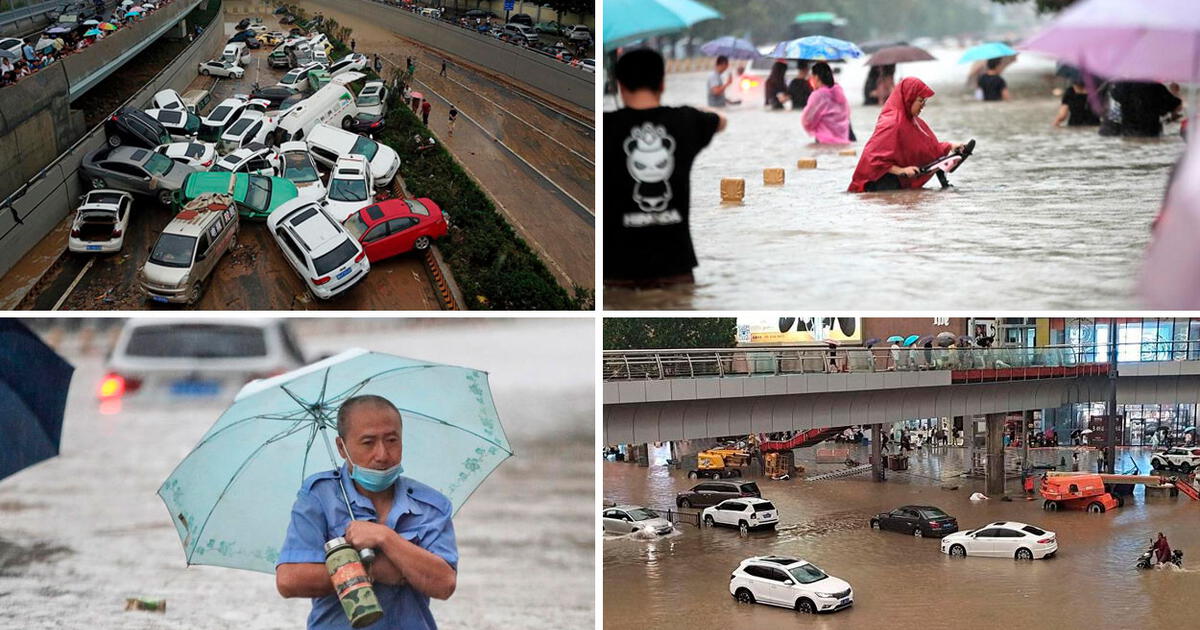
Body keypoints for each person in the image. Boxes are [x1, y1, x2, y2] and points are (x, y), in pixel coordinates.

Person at [276, 395, 457, 629]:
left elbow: (445, 584)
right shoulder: (319, 498)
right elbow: (290, 580)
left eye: (392, 440)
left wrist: (385, 538)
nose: (382, 454)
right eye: (368, 443)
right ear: (342, 447)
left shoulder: (431, 506)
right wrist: (373, 569)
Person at [603, 48, 726, 288]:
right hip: (676, 267)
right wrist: (702, 111)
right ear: (662, 83)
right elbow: (722, 120)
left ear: (619, 84)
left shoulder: (607, 127)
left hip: (618, 270)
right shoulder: (686, 121)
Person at [849, 77, 967, 192]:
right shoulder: (892, 122)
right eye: (920, 100)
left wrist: (950, 146)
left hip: (897, 184)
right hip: (877, 185)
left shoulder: (913, 121)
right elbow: (872, 159)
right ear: (909, 98)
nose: (923, 105)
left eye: (924, 101)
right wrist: (900, 170)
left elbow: (926, 149)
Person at [801, 62, 852, 145]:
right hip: (843, 139)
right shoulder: (839, 92)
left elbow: (807, 119)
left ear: (816, 77)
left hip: (824, 140)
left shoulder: (818, 95)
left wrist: (812, 128)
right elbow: (847, 113)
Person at [1107, 81, 1182, 137]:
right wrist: (1175, 92)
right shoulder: (1156, 87)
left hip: (1127, 132)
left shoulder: (1123, 85)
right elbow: (1174, 105)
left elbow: (1114, 95)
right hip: (1151, 132)